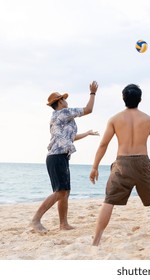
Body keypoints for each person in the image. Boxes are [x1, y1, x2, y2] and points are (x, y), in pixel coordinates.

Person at [89, 83, 150, 246]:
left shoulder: (115, 119)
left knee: (109, 201)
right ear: (140, 99)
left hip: (122, 162)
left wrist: (95, 166)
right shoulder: (148, 119)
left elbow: (103, 145)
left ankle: (96, 240)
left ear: (123, 98)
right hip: (142, 162)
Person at [32, 81, 99, 233]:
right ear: (60, 101)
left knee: (65, 192)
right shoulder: (64, 113)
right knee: (60, 191)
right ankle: (36, 220)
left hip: (59, 156)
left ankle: (63, 224)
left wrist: (87, 134)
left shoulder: (58, 117)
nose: (66, 100)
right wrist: (93, 93)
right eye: (64, 98)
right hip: (57, 156)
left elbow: (70, 138)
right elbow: (89, 109)